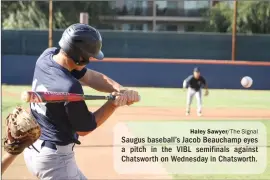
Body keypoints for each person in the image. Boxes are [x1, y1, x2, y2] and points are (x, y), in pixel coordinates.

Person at [23, 23, 140, 180]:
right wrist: (112, 104)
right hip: (55, 161)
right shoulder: (69, 87)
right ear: (79, 56)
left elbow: (91, 77)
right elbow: (84, 128)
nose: (92, 59)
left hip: (33, 148)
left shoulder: (48, 56)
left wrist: (120, 90)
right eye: (91, 56)